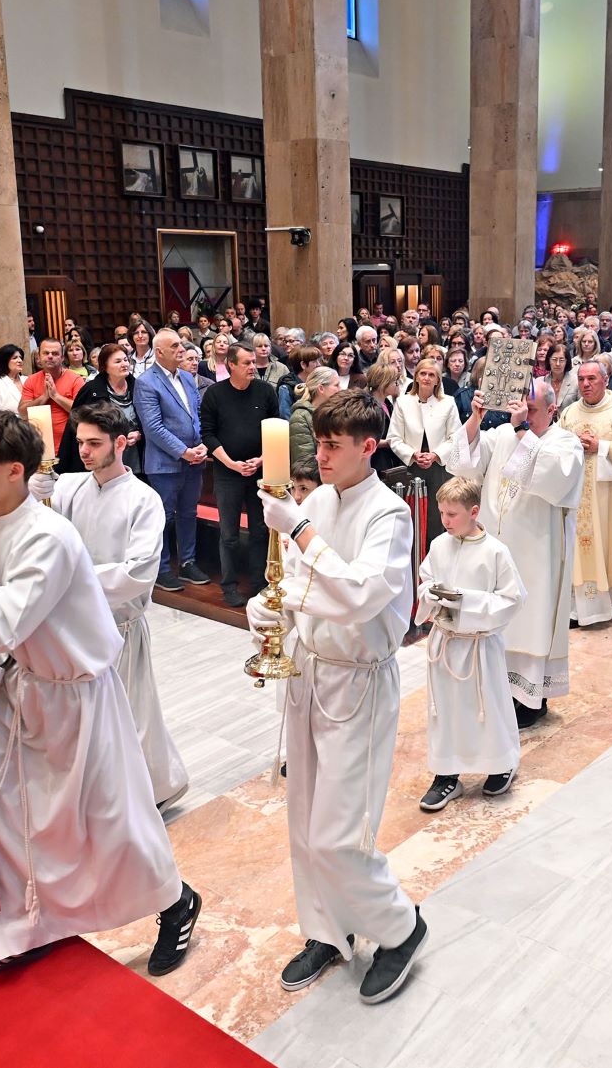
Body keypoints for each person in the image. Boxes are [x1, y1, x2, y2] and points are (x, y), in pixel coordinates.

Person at [0, 410, 200, 985]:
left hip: (77, 700)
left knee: (111, 822)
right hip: (26, 694)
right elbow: (8, 637)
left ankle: (177, 902)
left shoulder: (47, 536)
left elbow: (2, 617)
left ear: (14, 470)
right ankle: (20, 928)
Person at [243, 390, 428, 1005]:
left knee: (339, 832)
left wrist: (297, 529)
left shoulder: (389, 514)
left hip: (358, 680)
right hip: (310, 672)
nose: (319, 456)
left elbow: (359, 594)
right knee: (304, 823)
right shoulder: (320, 499)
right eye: (318, 444)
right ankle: (328, 929)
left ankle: (400, 927)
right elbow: (297, 583)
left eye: (332, 446)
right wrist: (269, 610)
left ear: (368, 447)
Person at [29, 402, 189, 810]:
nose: (84, 451)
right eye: (80, 442)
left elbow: (138, 572)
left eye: (94, 443)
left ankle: (143, 797)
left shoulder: (144, 499)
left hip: (119, 628)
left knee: (130, 716)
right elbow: (36, 522)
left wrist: (71, 582)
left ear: (120, 443)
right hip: (75, 628)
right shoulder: (68, 487)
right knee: (81, 722)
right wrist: (33, 488)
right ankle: (94, 802)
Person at [444, 380, 583, 728]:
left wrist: (522, 430)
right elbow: (462, 465)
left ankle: (533, 700)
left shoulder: (565, 442)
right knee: (499, 621)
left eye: (531, 410)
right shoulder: (503, 434)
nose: (522, 413)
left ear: (552, 410)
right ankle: (500, 692)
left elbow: (553, 479)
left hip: (538, 552)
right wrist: (476, 418)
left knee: (531, 621)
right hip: (498, 549)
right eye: (521, 407)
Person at [413, 476, 526, 812]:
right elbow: (426, 580)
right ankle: (446, 774)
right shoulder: (439, 545)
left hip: (479, 646)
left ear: (474, 512)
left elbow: (512, 598)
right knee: (445, 709)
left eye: (452, 514)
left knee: (487, 704)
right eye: (442, 513)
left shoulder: (495, 551)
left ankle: (501, 763)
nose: (445, 521)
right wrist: (432, 595)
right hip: (445, 643)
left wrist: (465, 601)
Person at [558, 359, 612, 626]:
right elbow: (556, 447)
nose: (585, 384)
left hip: (608, 498)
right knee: (576, 550)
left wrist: (602, 447)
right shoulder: (569, 413)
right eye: (581, 379)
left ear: (605, 381)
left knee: (607, 547)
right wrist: (572, 447)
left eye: (592, 379)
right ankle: (576, 609)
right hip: (575, 497)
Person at [136, 329, 210, 593]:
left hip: (194, 459)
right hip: (165, 464)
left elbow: (197, 415)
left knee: (189, 513)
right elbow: (153, 427)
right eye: (175, 346)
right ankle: (161, 568)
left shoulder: (187, 378)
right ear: (159, 352)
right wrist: (183, 451)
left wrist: (202, 444)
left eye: (181, 345)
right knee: (163, 517)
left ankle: (188, 562)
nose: (182, 349)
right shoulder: (146, 382)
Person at [386, 357, 459, 548]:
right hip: (411, 466)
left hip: (439, 468)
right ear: (416, 377)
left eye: (431, 375)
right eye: (423, 373)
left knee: (437, 517)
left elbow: (455, 437)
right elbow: (394, 438)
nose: (426, 378)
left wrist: (435, 455)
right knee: (412, 516)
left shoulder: (448, 402)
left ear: (437, 380)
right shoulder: (403, 402)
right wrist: (413, 454)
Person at [57, 343, 141, 474]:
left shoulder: (138, 387)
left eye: (125, 360)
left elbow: (148, 420)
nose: (124, 364)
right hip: (101, 458)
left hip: (136, 457)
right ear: (105, 367)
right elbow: (75, 426)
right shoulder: (92, 390)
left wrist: (139, 434)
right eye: (118, 361)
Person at [19, 338, 83, 451]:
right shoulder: (31, 380)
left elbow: (82, 412)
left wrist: (56, 396)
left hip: (71, 444)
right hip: (40, 445)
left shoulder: (75, 380)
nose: (50, 356)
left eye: (55, 353)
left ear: (62, 357)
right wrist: (44, 397)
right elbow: (23, 413)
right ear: (39, 357)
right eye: (46, 353)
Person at [291, 366, 340, 468]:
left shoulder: (337, 413)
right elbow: (305, 463)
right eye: (336, 385)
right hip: (317, 474)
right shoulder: (300, 417)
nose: (341, 389)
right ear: (321, 388)